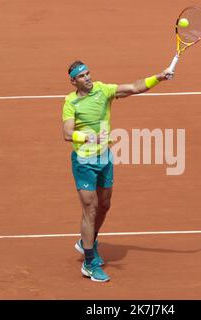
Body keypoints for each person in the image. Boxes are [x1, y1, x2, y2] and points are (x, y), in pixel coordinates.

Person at [62, 60, 173, 282]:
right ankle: (90, 263)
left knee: (104, 205)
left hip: (104, 158)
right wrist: (89, 137)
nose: (88, 78)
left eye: (88, 73)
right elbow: (67, 133)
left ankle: (87, 241)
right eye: (82, 76)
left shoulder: (104, 90)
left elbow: (133, 88)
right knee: (90, 210)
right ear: (73, 81)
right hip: (84, 162)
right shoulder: (70, 102)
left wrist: (158, 77)